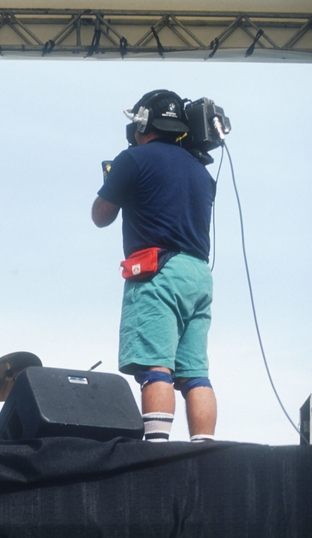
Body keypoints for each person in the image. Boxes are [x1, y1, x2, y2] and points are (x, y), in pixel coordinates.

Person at [91, 89, 217, 443]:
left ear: (142, 123)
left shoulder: (134, 159)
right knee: (195, 375)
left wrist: (114, 183)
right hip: (198, 276)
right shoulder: (201, 172)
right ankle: (205, 454)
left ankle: (157, 452)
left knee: (155, 369)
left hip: (158, 273)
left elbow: (101, 216)